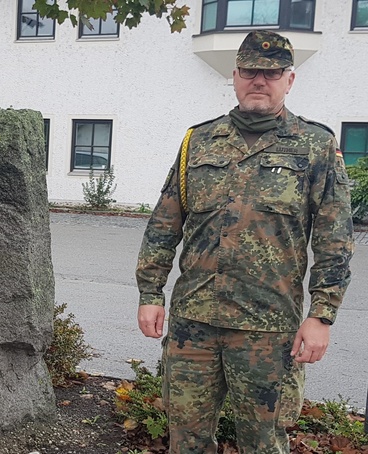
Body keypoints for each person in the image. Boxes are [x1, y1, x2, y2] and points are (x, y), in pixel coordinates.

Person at [135, 31, 353, 453]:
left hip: (268, 330)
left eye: (272, 73)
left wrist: (321, 316)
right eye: (251, 71)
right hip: (193, 324)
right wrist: (150, 292)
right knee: (185, 438)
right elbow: (164, 224)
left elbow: (334, 239)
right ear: (234, 76)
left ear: (289, 80)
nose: (260, 80)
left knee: (264, 443)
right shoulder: (196, 142)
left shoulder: (316, 146)